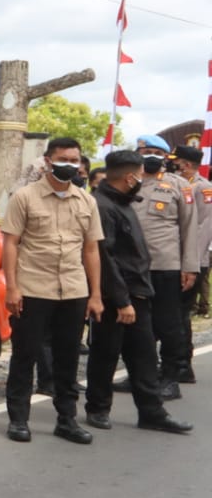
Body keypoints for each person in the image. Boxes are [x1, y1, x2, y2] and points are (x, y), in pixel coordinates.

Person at [0, 136, 105, 444]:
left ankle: (67, 419)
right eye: (63, 160)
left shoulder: (86, 201)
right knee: (25, 355)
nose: (69, 165)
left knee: (68, 357)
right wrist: (12, 288)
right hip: (33, 288)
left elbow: (91, 251)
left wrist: (95, 294)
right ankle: (18, 419)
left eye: (74, 160)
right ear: (47, 161)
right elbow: (10, 244)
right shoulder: (25, 197)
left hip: (73, 290)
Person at [84, 150, 193, 434]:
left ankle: (152, 412)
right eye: (141, 174)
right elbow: (105, 259)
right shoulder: (103, 206)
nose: (143, 179)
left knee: (144, 356)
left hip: (139, 295)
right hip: (117, 297)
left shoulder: (124, 202)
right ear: (130, 176)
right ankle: (97, 408)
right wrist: (121, 300)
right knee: (105, 354)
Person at [134, 134, 196, 398]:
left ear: (165, 156)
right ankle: (143, 375)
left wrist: (189, 267)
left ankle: (170, 377)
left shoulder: (179, 186)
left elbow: (189, 228)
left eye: (154, 152)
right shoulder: (128, 183)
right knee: (138, 326)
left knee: (168, 324)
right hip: (134, 267)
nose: (149, 155)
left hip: (166, 266)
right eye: (144, 150)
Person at [169, 145, 212, 370]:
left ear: (185, 165)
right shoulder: (178, 185)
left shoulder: (202, 188)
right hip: (178, 259)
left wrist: (192, 262)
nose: (173, 166)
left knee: (180, 313)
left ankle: (182, 365)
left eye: (176, 163)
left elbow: (204, 227)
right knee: (174, 312)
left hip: (193, 261)